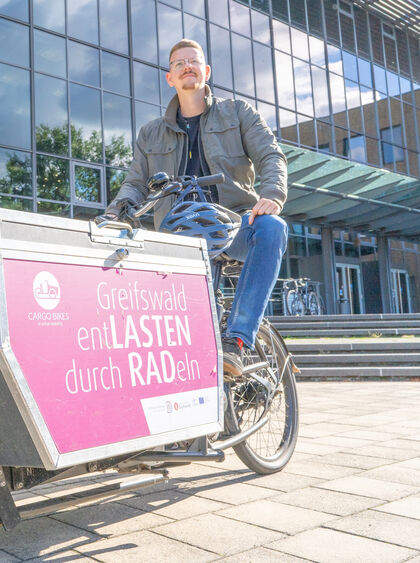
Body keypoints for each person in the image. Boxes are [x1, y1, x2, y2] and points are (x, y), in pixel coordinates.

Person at [97, 38, 288, 376]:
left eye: (194, 61)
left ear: (206, 71)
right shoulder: (150, 134)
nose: (187, 67)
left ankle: (238, 340)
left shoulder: (238, 113)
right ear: (170, 77)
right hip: (179, 235)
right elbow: (136, 183)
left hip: (232, 228)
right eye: (178, 63)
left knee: (272, 228)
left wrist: (271, 194)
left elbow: (271, 155)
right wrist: (115, 212)